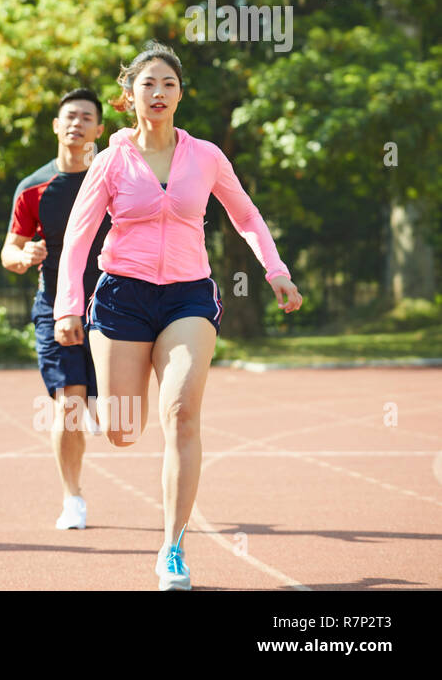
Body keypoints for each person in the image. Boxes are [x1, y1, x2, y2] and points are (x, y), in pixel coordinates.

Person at [53, 41, 303, 590]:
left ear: (181, 94)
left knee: (182, 414)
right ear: (129, 97)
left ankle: (173, 548)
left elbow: (246, 213)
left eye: (168, 83)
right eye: (148, 84)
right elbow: (77, 238)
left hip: (188, 296)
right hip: (121, 296)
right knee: (122, 431)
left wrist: (275, 269)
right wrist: (68, 307)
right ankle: (109, 396)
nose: (159, 92)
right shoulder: (110, 161)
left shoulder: (206, 156)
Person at [2, 89, 110, 531]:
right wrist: (24, 257)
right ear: (55, 125)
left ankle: (98, 403)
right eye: (69, 116)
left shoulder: (114, 180)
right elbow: (9, 250)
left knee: (117, 412)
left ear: (99, 130)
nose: (77, 124)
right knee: (69, 404)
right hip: (53, 305)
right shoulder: (34, 188)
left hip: (112, 306)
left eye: (87, 117)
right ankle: (73, 498)